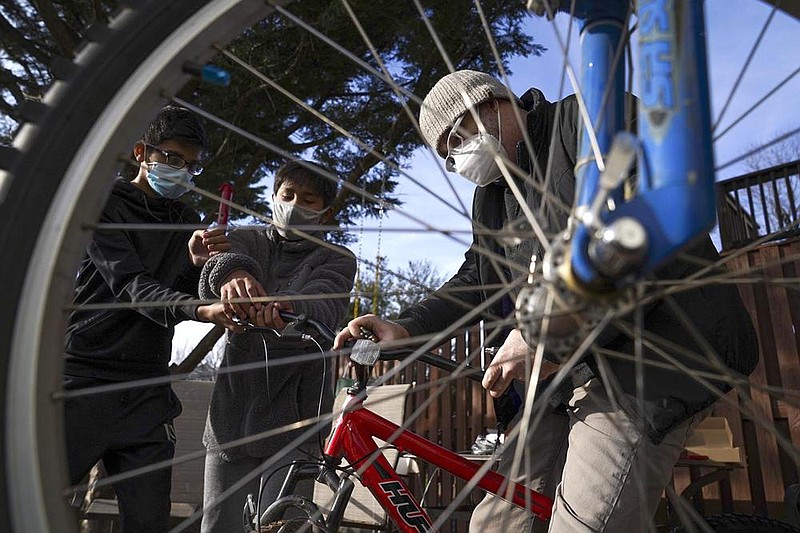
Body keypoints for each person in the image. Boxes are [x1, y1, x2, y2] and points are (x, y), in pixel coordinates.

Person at [335, 70, 758, 532]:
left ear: (493, 101)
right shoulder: (492, 198)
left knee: (584, 524)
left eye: (458, 137)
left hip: (650, 357)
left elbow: (645, 224)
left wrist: (545, 335)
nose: (459, 158)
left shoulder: (588, 118)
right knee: (493, 524)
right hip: (566, 376)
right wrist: (408, 326)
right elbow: (479, 277)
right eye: (447, 155)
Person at [63, 105, 237, 532]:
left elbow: (170, 300)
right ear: (143, 152)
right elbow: (130, 287)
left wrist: (196, 267)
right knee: (31, 502)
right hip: (83, 378)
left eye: (193, 166)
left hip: (147, 387)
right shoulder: (104, 203)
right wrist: (200, 308)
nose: (182, 171)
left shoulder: (185, 221)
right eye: (173, 158)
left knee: (149, 521)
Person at [198, 160, 356, 532]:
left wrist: (285, 307)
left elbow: (325, 306)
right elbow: (213, 273)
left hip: (298, 423)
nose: (295, 204)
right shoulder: (246, 239)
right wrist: (231, 273)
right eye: (288, 195)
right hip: (232, 418)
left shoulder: (338, 259)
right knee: (220, 524)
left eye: (309, 199)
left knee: (283, 526)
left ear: (326, 212)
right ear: (273, 197)